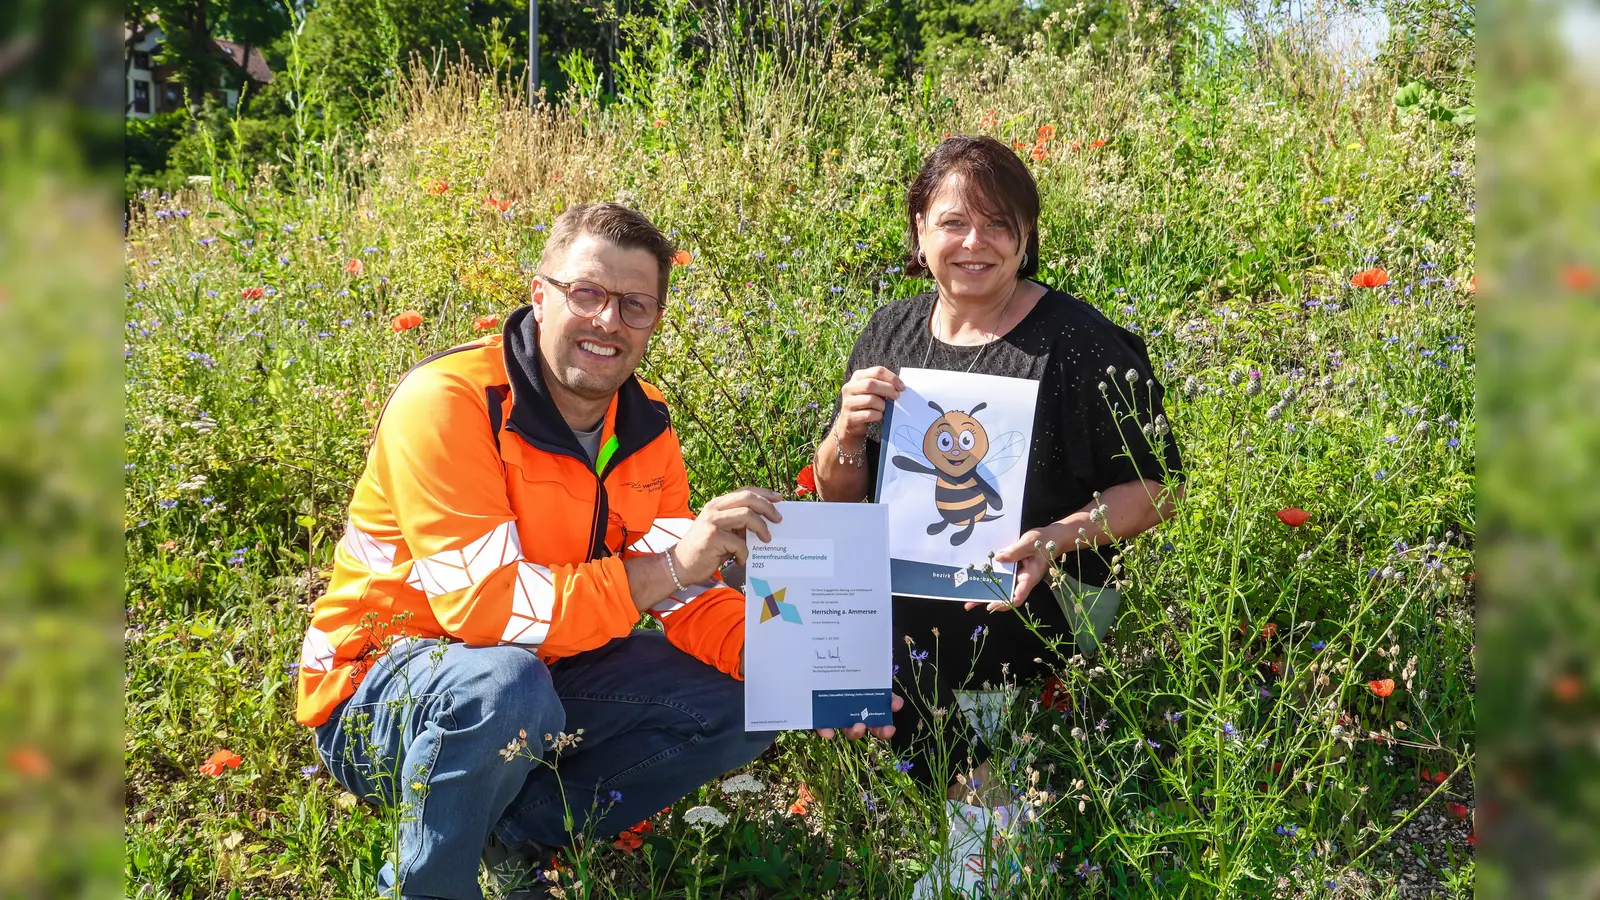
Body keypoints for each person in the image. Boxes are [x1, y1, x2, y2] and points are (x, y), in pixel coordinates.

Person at [295, 202, 893, 900]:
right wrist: (672, 565)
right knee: (502, 686)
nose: (608, 321)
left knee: (746, 698)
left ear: (655, 321)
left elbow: (689, 593)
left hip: (541, 679)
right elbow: (486, 611)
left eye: (634, 305)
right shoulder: (450, 402)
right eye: (587, 293)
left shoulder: (645, 422)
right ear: (539, 295)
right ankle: (429, 886)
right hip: (381, 689)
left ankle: (515, 839)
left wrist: (806, 676)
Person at [811, 136, 1185, 898]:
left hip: (1045, 583)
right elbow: (838, 497)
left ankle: (983, 834)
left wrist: (1056, 536)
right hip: (914, 578)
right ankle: (960, 789)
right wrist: (846, 433)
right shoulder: (891, 332)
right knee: (808, 603)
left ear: (1026, 237)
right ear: (918, 231)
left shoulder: (1080, 343)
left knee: (935, 631)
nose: (974, 242)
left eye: (998, 224)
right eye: (953, 222)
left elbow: (1157, 489)